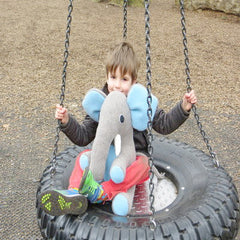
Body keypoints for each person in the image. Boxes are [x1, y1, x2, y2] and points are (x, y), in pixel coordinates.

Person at [39, 41, 197, 217]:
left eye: (124, 79)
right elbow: (83, 136)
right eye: (113, 77)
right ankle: (74, 192)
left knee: (143, 166)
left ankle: (103, 191)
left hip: (133, 159)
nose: (117, 85)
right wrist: (67, 121)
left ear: (134, 81)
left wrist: (183, 107)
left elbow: (164, 124)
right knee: (82, 158)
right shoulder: (103, 103)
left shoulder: (140, 102)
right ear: (107, 77)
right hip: (105, 158)